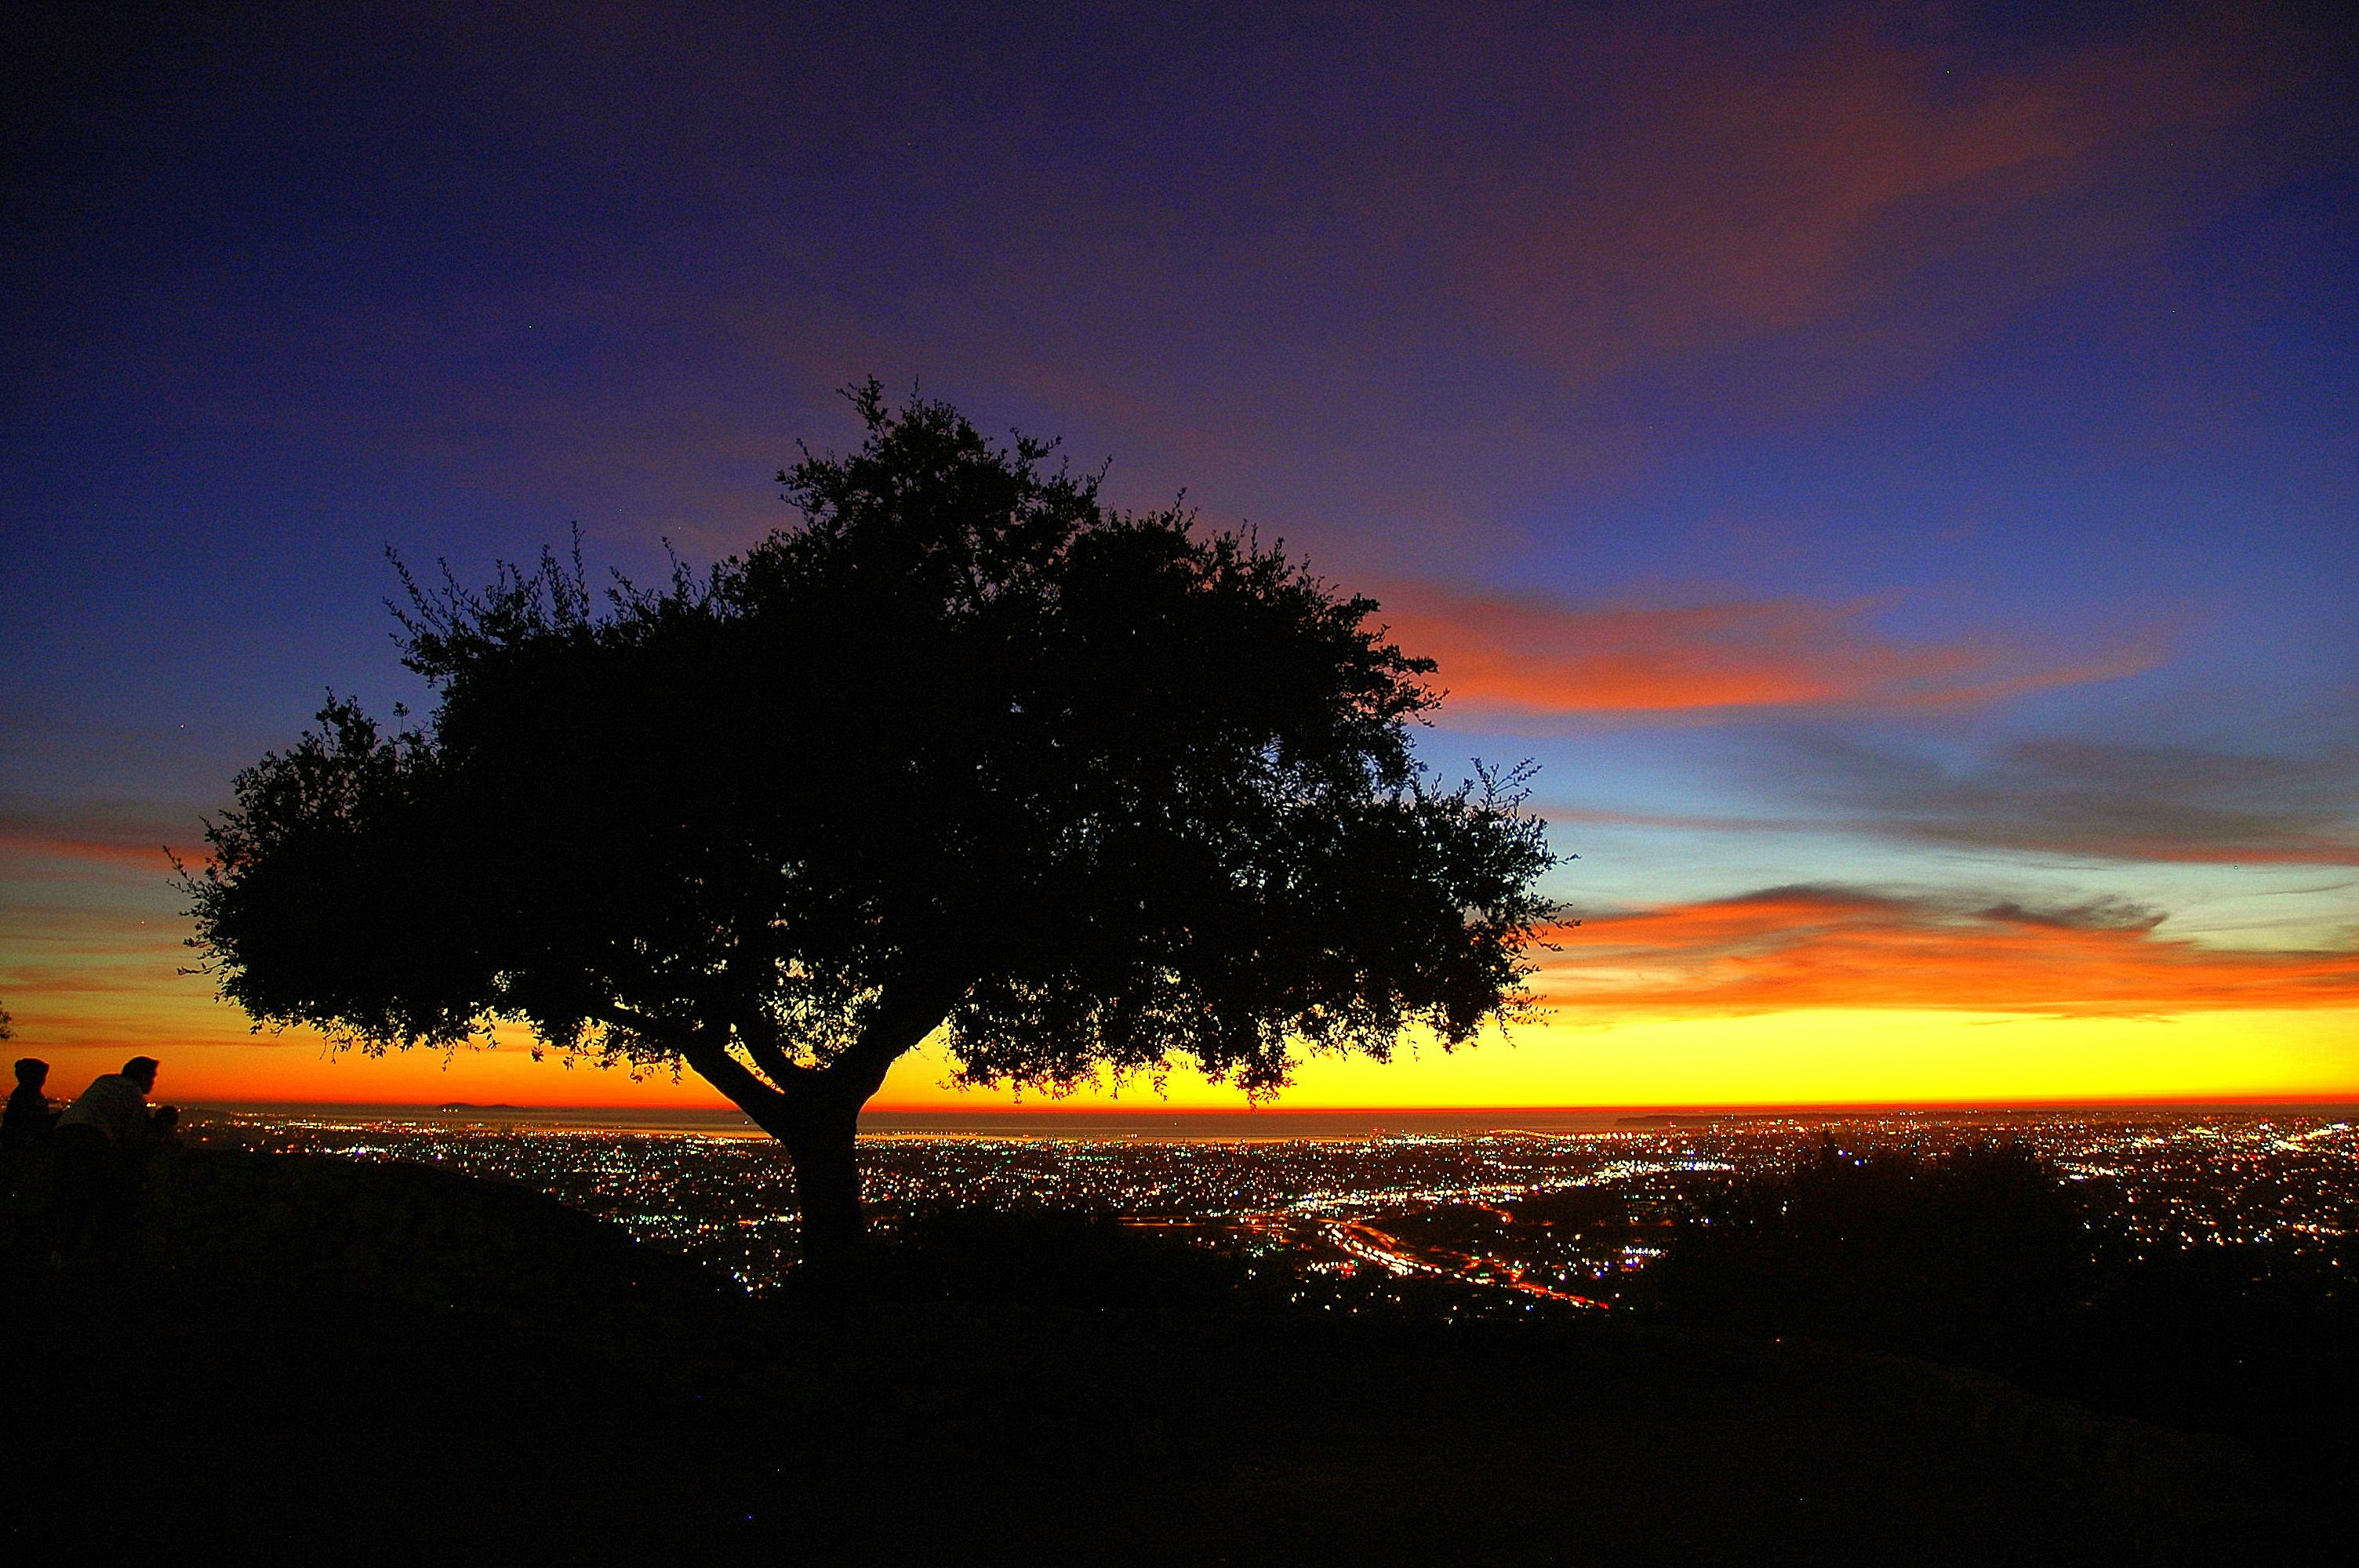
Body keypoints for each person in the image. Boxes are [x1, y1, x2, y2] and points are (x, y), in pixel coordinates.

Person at [51, 1057, 162, 1264]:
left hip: (63, 1131)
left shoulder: (105, 1081)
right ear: (142, 1076)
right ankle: (73, 1254)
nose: (153, 1082)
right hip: (92, 1138)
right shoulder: (135, 1097)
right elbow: (132, 1140)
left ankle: (55, 1250)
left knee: (65, 1191)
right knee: (87, 1196)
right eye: (151, 1077)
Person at [3, 1057, 55, 1152]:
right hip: (22, 1147)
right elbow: (30, 1122)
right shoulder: (24, 1096)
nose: (43, 1080)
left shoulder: (33, 1095)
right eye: (40, 1076)